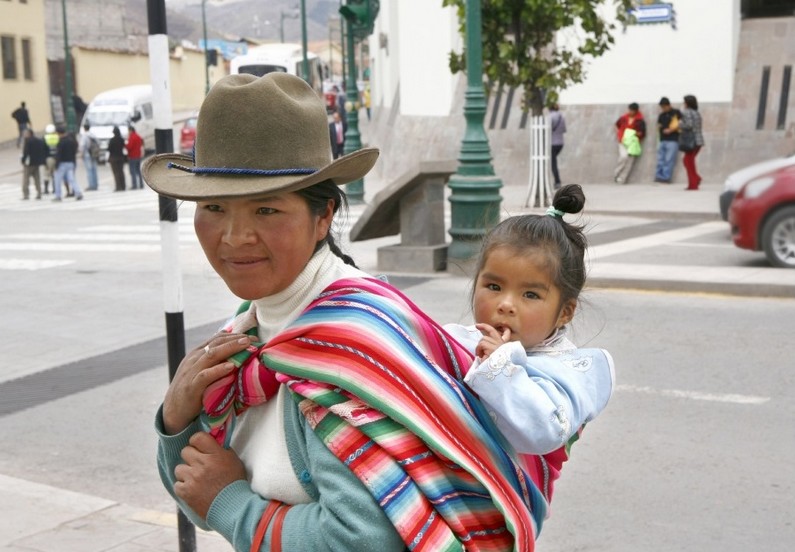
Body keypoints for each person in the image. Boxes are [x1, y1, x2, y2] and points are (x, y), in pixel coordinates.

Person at [144, 72, 548, 552]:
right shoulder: (249, 331)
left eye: (266, 211)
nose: (233, 237)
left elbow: (361, 541)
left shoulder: (344, 349)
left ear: (323, 217)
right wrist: (176, 419)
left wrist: (231, 504)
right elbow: (195, 493)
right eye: (213, 206)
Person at [444, 184, 614, 496]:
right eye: (493, 286)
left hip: (502, 509)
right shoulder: (458, 340)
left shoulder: (572, 369)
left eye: (530, 294)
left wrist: (499, 367)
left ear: (565, 312)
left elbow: (543, 429)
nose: (506, 304)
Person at [614, 102, 646, 185]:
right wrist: (619, 134)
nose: (631, 112)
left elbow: (642, 132)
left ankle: (622, 179)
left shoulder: (640, 120)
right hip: (623, 141)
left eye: (632, 110)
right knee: (623, 156)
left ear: (636, 111)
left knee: (630, 162)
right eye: (630, 110)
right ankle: (617, 172)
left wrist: (635, 134)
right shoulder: (624, 118)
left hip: (633, 143)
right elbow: (617, 125)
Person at [654, 97, 681, 183]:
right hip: (662, 139)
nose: (663, 109)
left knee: (669, 159)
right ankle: (658, 176)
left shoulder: (676, 113)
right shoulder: (661, 115)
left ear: (668, 105)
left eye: (664, 107)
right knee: (660, 159)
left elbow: (681, 123)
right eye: (662, 107)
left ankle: (666, 177)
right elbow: (659, 124)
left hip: (673, 139)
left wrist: (671, 130)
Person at [680, 94, 704, 190]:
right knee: (687, 161)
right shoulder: (696, 112)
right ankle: (696, 178)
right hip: (698, 140)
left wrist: (679, 125)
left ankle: (693, 184)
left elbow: (689, 125)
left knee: (689, 162)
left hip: (690, 140)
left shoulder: (687, 112)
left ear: (687, 103)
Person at [53, 126, 83, 201]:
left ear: (58, 133)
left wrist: (56, 165)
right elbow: (74, 151)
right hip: (71, 162)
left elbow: (58, 154)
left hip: (62, 164)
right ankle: (78, 193)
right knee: (72, 179)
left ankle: (58, 196)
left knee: (57, 180)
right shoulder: (71, 141)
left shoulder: (60, 142)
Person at [20, 128, 46, 200]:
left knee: (26, 179)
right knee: (37, 178)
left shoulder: (27, 141)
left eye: (25, 133)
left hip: (29, 163)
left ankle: (26, 194)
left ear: (29, 133)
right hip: (36, 163)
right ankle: (39, 193)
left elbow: (26, 152)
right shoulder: (38, 140)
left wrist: (23, 160)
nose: (24, 135)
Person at [549, 102, 566, 189]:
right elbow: (564, 130)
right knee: (553, 162)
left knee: (553, 164)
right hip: (560, 143)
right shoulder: (561, 117)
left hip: (552, 143)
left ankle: (557, 182)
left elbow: (547, 129)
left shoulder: (550, 116)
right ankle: (556, 181)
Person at [79, 123, 99, 191]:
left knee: (89, 170)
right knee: (94, 169)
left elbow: (82, 145)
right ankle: (96, 184)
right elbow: (98, 143)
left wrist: (81, 154)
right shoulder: (93, 135)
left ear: (84, 128)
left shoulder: (84, 136)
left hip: (87, 155)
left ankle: (91, 185)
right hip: (94, 154)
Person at [107, 125, 127, 191]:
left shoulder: (112, 140)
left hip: (113, 158)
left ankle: (118, 187)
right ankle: (123, 186)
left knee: (116, 173)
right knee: (121, 172)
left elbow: (109, 149)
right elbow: (124, 147)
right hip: (121, 157)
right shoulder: (121, 139)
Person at [126, 125, 144, 189]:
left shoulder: (131, 137)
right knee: (138, 171)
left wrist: (126, 145)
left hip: (132, 156)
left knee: (133, 171)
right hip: (138, 156)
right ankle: (141, 184)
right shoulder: (138, 136)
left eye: (128, 131)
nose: (128, 132)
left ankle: (134, 185)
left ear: (130, 130)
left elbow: (129, 147)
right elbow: (142, 143)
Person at [43, 123, 59, 195]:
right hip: (56, 157)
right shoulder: (57, 137)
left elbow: (42, 149)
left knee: (47, 174)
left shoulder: (45, 138)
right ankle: (55, 189)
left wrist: (43, 160)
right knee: (54, 174)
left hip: (48, 158)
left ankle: (46, 189)